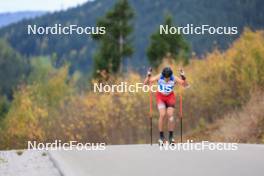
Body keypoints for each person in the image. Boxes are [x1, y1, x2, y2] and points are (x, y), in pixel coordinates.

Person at [144, 67, 188, 145]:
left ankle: (171, 137)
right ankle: (161, 137)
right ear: (163, 75)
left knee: (170, 115)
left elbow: (186, 85)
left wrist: (183, 77)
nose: (166, 80)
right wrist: (148, 75)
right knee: (162, 114)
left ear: (170, 76)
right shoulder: (160, 76)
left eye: (168, 78)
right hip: (160, 97)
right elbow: (146, 83)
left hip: (170, 97)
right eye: (165, 78)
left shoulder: (174, 78)